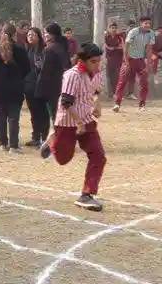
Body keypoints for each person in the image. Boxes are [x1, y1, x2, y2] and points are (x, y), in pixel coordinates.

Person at [40, 44, 106, 212]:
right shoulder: (72, 75)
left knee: (98, 155)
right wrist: (79, 123)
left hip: (87, 118)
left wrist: (97, 104)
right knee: (63, 159)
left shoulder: (97, 72)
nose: (97, 65)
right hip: (68, 121)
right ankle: (52, 141)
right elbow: (66, 102)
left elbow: (96, 91)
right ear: (82, 61)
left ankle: (86, 195)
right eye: (93, 61)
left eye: (99, 61)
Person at [0, 23, 30, 153]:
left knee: (0, 117)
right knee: (13, 117)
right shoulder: (20, 50)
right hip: (15, 87)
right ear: (14, 34)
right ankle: (13, 146)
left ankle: (2, 144)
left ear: (1, 33)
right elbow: (27, 69)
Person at [113, 16, 155, 112]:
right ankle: (117, 104)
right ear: (141, 24)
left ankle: (142, 105)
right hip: (129, 59)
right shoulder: (133, 32)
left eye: (149, 23)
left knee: (144, 83)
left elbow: (149, 49)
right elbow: (126, 47)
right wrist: (126, 61)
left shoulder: (151, 33)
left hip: (140, 60)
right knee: (122, 82)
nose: (148, 25)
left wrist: (148, 64)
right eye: (145, 23)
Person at [37, 22, 71, 122]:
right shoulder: (62, 46)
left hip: (52, 87)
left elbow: (45, 71)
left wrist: (39, 90)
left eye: (46, 33)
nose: (44, 35)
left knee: (54, 116)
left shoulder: (49, 49)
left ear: (52, 34)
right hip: (64, 85)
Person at [24, 27, 49, 148]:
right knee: (34, 113)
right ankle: (35, 137)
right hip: (29, 86)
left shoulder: (43, 51)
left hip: (41, 86)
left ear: (39, 37)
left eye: (33, 35)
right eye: (28, 35)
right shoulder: (28, 49)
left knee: (43, 113)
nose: (30, 36)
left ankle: (45, 139)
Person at [103, 22, 124, 98]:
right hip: (109, 59)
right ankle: (113, 93)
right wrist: (114, 48)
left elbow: (122, 47)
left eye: (115, 28)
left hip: (118, 59)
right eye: (112, 28)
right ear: (109, 29)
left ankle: (118, 93)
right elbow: (105, 47)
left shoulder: (119, 37)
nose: (114, 29)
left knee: (118, 76)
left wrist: (113, 48)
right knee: (111, 76)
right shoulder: (106, 37)